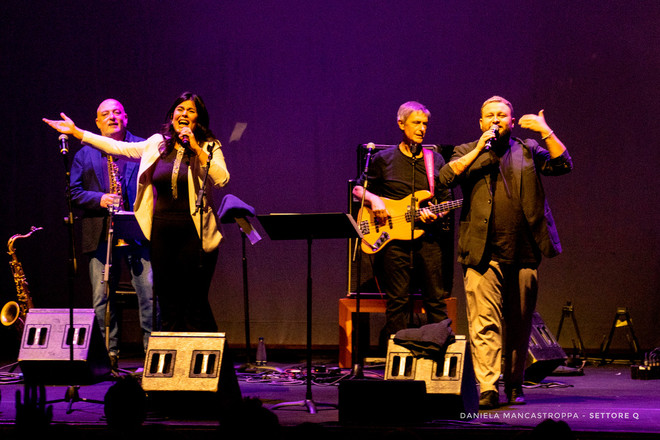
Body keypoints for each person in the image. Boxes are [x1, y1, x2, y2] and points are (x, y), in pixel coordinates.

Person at [45, 91, 230, 332]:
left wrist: (196, 147)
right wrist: (78, 132)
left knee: (195, 303)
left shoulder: (208, 146)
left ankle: (212, 366)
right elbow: (116, 146)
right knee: (167, 303)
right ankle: (167, 364)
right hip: (162, 233)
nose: (184, 114)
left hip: (193, 233)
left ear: (199, 118)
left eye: (191, 111)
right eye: (180, 109)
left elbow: (222, 178)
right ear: (173, 115)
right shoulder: (157, 143)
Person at [438, 96, 573, 409]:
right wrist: (477, 150)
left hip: (523, 251)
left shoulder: (527, 150)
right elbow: (445, 179)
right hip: (481, 253)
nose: (496, 120)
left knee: (518, 324)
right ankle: (487, 386)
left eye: (502, 115)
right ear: (481, 122)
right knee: (483, 324)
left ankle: (513, 385)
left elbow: (563, 165)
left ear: (512, 122)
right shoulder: (465, 151)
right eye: (490, 116)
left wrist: (545, 131)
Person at [352, 101, 454, 351]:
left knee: (436, 301)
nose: (422, 129)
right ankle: (398, 362)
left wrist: (436, 214)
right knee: (397, 302)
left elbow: (446, 200)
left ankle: (439, 359)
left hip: (427, 240)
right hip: (393, 241)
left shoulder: (434, 160)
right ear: (401, 124)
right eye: (416, 123)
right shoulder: (382, 159)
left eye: (425, 124)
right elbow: (358, 190)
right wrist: (375, 200)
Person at [70, 99, 154, 367]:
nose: (112, 117)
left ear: (126, 117)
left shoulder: (142, 147)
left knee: (149, 294)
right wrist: (101, 199)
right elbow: (74, 193)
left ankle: (153, 355)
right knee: (102, 297)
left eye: (117, 112)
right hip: (100, 233)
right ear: (97, 123)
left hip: (138, 232)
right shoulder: (84, 153)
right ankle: (108, 356)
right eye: (105, 114)